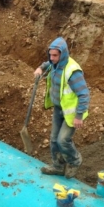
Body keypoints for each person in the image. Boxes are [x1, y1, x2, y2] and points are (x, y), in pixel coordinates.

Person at [33, 37, 89, 179]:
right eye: (50, 55)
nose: (52, 58)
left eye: (55, 55)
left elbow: (84, 95)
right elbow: (48, 63)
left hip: (71, 113)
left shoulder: (72, 71)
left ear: (62, 54)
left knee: (62, 140)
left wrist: (79, 116)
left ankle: (75, 161)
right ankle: (58, 166)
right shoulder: (54, 63)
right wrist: (41, 68)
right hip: (59, 109)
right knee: (53, 139)